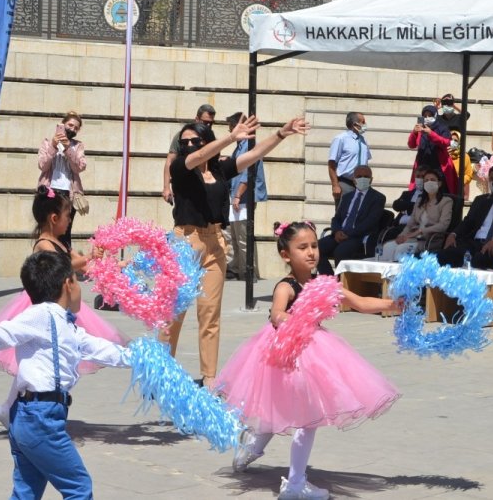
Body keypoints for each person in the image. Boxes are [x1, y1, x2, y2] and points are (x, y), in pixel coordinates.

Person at [217, 221, 401, 500]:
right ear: (285, 255)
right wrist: (291, 320)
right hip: (285, 353)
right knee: (287, 413)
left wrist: (391, 305)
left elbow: (360, 302)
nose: (311, 252)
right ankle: (291, 482)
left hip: (313, 352)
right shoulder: (286, 286)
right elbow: (277, 313)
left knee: (299, 416)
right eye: (302, 247)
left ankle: (253, 451)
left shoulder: (322, 284)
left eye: (314, 245)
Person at [0, 251, 131, 499]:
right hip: (41, 418)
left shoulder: (66, 324)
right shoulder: (41, 314)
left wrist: (142, 358)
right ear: (68, 283)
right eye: (78, 278)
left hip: (29, 416)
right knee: (78, 487)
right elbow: (0, 334)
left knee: (26, 491)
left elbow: (99, 348)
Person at [165, 114, 309, 387]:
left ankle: (209, 377)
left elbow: (253, 155)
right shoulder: (180, 168)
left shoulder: (219, 169)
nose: (191, 145)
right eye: (185, 142)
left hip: (214, 242)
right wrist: (231, 137)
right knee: (174, 314)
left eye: (196, 140)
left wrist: (281, 133)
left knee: (210, 315)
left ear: (206, 140)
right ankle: (161, 372)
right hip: (185, 242)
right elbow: (195, 159)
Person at [0, 186, 128, 427]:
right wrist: (91, 257)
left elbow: (79, 266)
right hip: (43, 305)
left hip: (61, 303)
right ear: (54, 218)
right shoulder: (44, 245)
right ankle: (13, 407)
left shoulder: (59, 242)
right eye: (68, 216)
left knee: (58, 357)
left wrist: (112, 266)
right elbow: (65, 265)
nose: (69, 221)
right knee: (30, 362)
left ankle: (13, 407)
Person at [438, 168, 493, 269]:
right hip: (474, 242)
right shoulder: (483, 202)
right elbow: (468, 221)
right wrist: (453, 234)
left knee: (479, 260)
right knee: (445, 254)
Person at [317, 165, 387, 272]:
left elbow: (370, 222)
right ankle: (329, 282)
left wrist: (348, 233)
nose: (362, 179)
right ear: (354, 180)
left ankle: (342, 283)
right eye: (359, 176)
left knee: (340, 251)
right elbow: (336, 218)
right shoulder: (347, 197)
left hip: (358, 236)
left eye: (366, 176)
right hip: (339, 234)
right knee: (316, 248)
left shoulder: (378, 198)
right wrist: (336, 232)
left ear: (371, 180)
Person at [37, 111, 86, 250]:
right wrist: (53, 146)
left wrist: (68, 150)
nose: (72, 129)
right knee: (47, 230)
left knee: (65, 231)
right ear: (62, 124)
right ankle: (46, 262)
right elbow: (42, 165)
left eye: (76, 128)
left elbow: (80, 167)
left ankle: (64, 264)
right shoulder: (47, 143)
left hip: (68, 193)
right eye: (70, 125)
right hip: (49, 191)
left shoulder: (78, 146)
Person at [226, 117, 267, 281]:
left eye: (231, 127)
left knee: (243, 237)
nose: (230, 131)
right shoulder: (240, 147)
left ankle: (249, 271)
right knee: (234, 236)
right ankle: (237, 268)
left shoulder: (249, 146)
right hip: (236, 197)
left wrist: (237, 195)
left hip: (243, 198)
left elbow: (247, 174)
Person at [378, 170, 451, 262]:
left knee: (400, 250)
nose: (429, 182)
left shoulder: (446, 201)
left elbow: (443, 225)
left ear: (439, 183)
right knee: (388, 247)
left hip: (429, 240)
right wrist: (402, 236)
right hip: (412, 237)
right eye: (426, 180)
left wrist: (420, 231)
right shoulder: (420, 200)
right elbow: (410, 223)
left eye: (432, 180)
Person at [163, 104, 216, 204]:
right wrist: (166, 188)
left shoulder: (211, 137)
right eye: (205, 122)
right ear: (197, 119)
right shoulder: (182, 136)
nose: (208, 126)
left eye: (211, 123)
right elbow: (170, 161)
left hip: (206, 185)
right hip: (185, 184)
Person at [327, 111, 370, 207]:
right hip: (345, 183)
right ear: (355, 124)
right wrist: (335, 185)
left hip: (362, 184)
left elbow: (366, 162)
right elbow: (331, 164)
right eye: (363, 122)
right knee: (344, 214)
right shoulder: (340, 139)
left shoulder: (363, 140)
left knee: (360, 214)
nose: (365, 125)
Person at [449, 130, 473, 199]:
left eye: (456, 140)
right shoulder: (444, 154)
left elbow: (468, 175)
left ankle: (464, 199)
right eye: (451, 139)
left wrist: (459, 180)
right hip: (446, 183)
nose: (453, 142)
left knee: (465, 180)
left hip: (459, 184)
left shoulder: (465, 156)